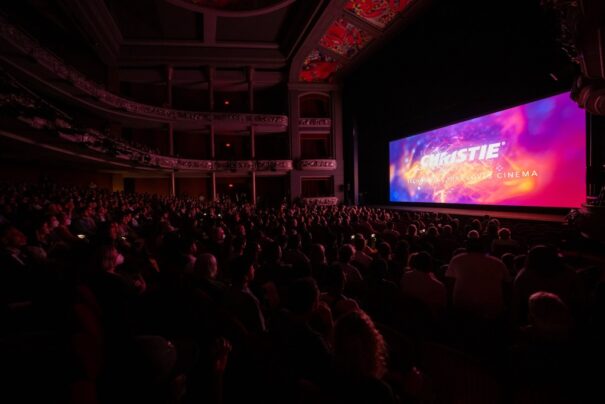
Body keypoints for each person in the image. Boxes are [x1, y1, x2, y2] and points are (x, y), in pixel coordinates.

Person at [445, 234, 511, 319]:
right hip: (492, 308)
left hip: (463, 306)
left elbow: (449, 282)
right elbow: (507, 284)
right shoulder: (497, 262)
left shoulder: (457, 259)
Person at [401, 252, 446, 317]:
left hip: (406, 315)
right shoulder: (438, 286)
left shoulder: (406, 276)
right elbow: (441, 311)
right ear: (430, 265)